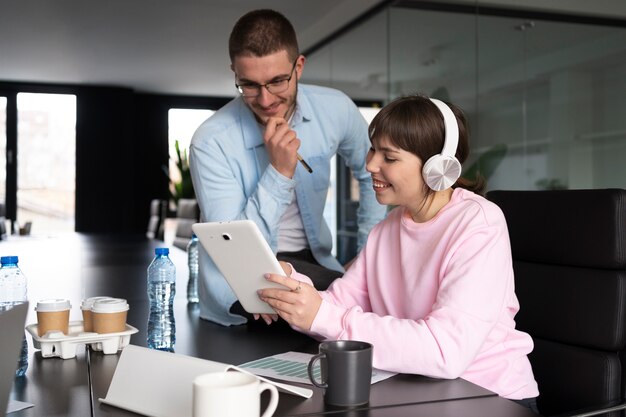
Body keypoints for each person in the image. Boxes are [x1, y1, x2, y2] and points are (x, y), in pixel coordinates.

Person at [257, 95, 540, 409]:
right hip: (419, 389)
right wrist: (293, 288)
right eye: (372, 149)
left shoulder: (479, 223)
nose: (370, 165)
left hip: (490, 397)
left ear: (438, 168)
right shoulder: (388, 228)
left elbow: (444, 350)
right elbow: (338, 306)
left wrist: (324, 316)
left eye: (388, 157)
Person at [189, 9, 387, 326]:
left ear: (299, 67)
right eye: (249, 85)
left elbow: (373, 172)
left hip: (314, 261)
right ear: (234, 73)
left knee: (371, 308)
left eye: (277, 81)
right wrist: (280, 173)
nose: (265, 99)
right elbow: (233, 249)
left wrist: (367, 254)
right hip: (237, 276)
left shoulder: (335, 109)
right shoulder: (210, 141)